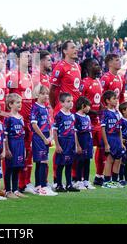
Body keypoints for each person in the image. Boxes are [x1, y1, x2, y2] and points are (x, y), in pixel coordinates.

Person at [49, 40, 81, 187]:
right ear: (65, 51)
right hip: (62, 110)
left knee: (71, 146)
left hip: (73, 111)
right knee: (60, 146)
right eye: (73, 47)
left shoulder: (77, 66)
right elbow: (52, 89)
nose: (76, 49)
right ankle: (57, 180)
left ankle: (71, 180)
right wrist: (55, 105)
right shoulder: (60, 66)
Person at [7, 48, 34, 194]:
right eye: (26, 56)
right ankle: (8, 186)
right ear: (17, 60)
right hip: (15, 123)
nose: (29, 58)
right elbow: (8, 98)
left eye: (30, 56)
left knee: (27, 152)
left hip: (27, 121)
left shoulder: (29, 76)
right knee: (12, 153)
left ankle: (25, 183)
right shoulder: (13, 76)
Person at [79, 58, 105, 186]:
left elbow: (98, 101)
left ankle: (99, 176)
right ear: (88, 67)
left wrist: (102, 110)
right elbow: (80, 104)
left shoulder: (99, 82)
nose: (99, 67)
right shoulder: (84, 83)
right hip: (86, 122)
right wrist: (95, 113)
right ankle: (80, 179)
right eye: (95, 64)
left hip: (97, 122)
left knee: (103, 147)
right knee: (84, 152)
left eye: (99, 64)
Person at [30, 85, 57, 196]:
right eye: (43, 93)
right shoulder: (35, 107)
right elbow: (34, 125)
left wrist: (50, 137)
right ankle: (42, 187)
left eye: (47, 93)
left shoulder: (46, 108)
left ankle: (38, 186)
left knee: (41, 162)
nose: (46, 96)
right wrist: (44, 138)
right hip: (39, 138)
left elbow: (49, 124)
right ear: (37, 95)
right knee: (42, 162)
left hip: (45, 137)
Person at [53, 93, 80, 193]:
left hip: (71, 142)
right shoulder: (59, 115)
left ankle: (69, 184)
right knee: (61, 164)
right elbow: (55, 131)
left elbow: (74, 131)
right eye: (68, 101)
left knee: (69, 164)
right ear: (62, 103)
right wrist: (57, 145)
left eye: (71, 101)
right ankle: (59, 185)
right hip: (62, 141)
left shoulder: (72, 116)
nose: (71, 103)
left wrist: (76, 144)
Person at [3, 93, 27, 199]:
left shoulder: (21, 117)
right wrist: (7, 149)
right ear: (10, 104)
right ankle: (8, 191)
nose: (20, 104)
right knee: (9, 168)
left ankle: (16, 190)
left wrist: (24, 148)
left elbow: (22, 134)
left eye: (20, 102)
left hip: (20, 144)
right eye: (17, 102)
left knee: (17, 168)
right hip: (12, 144)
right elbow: (5, 135)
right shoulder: (8, 118)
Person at [101, 90, 126, 189]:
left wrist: (121, 142)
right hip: (109, 137)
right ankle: (107, 181)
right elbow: (103, 129)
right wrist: (106, 144)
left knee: (118, 159)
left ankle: (115, 181)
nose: (116, 100)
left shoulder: (118, 113)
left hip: (117, 139)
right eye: (114, 99)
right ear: (107, 101)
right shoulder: (104, 113)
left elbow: (119, 129)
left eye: (116, 98)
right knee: (109, 160)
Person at [73, 96, 95, 190]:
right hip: (81, 141)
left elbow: (90, 131)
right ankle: (78, 181)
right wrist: (77, 145)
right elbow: (75, 132)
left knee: (87, 161)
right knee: (80, 162)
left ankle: (86, 180)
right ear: (83, 106)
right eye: (88, 106)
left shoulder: (88, 117)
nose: (89, 108)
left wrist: (91, 144)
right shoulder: (75, 117)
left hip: (88, 141)